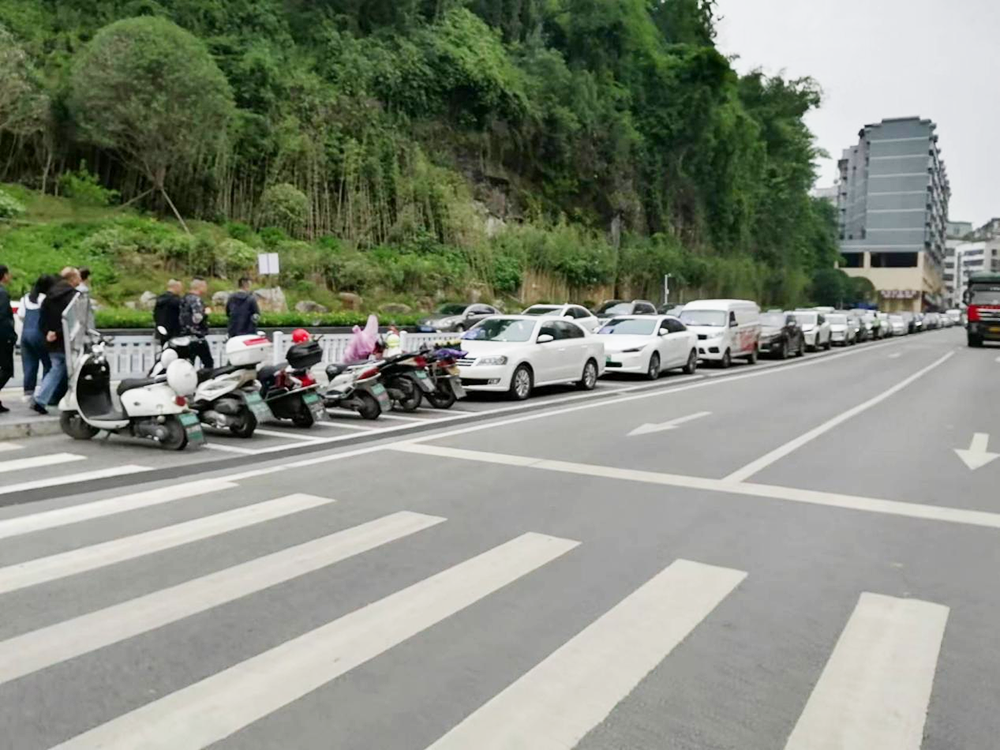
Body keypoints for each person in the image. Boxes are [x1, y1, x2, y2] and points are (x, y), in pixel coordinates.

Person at [33, 267, 81, 414]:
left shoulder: (49, 296)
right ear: (71, 279)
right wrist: (59, 333)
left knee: (56, 369)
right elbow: (75, 320)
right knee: (75, 371)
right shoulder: (74, 296)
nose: (80, 280)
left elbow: (42, 321)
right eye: (78, 277)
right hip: (70, 341)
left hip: (52, 341)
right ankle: (75, 402)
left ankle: (41, 399)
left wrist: (49, 333)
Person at [16, 274, 56, 407]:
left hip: (25, 335)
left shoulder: (26, 298)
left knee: (29, 366)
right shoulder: (46, 299)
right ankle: (44, 393)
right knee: (48, 364)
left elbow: (21, 316)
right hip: (40, 335)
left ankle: (28, 393)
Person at [180, 277, 213, 368]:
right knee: (208, 362)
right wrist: (205, 313)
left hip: (184, 336)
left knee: (188, 363)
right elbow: (197, 318)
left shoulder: (184, 298)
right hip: (197, 337)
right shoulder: (196, 300)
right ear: (200, 287)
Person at [0, 265, 16, 414]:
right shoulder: (2, 293)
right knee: (6, 370)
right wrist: (11, 336)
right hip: (2, 337)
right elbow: (4, 317)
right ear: (4, 275)